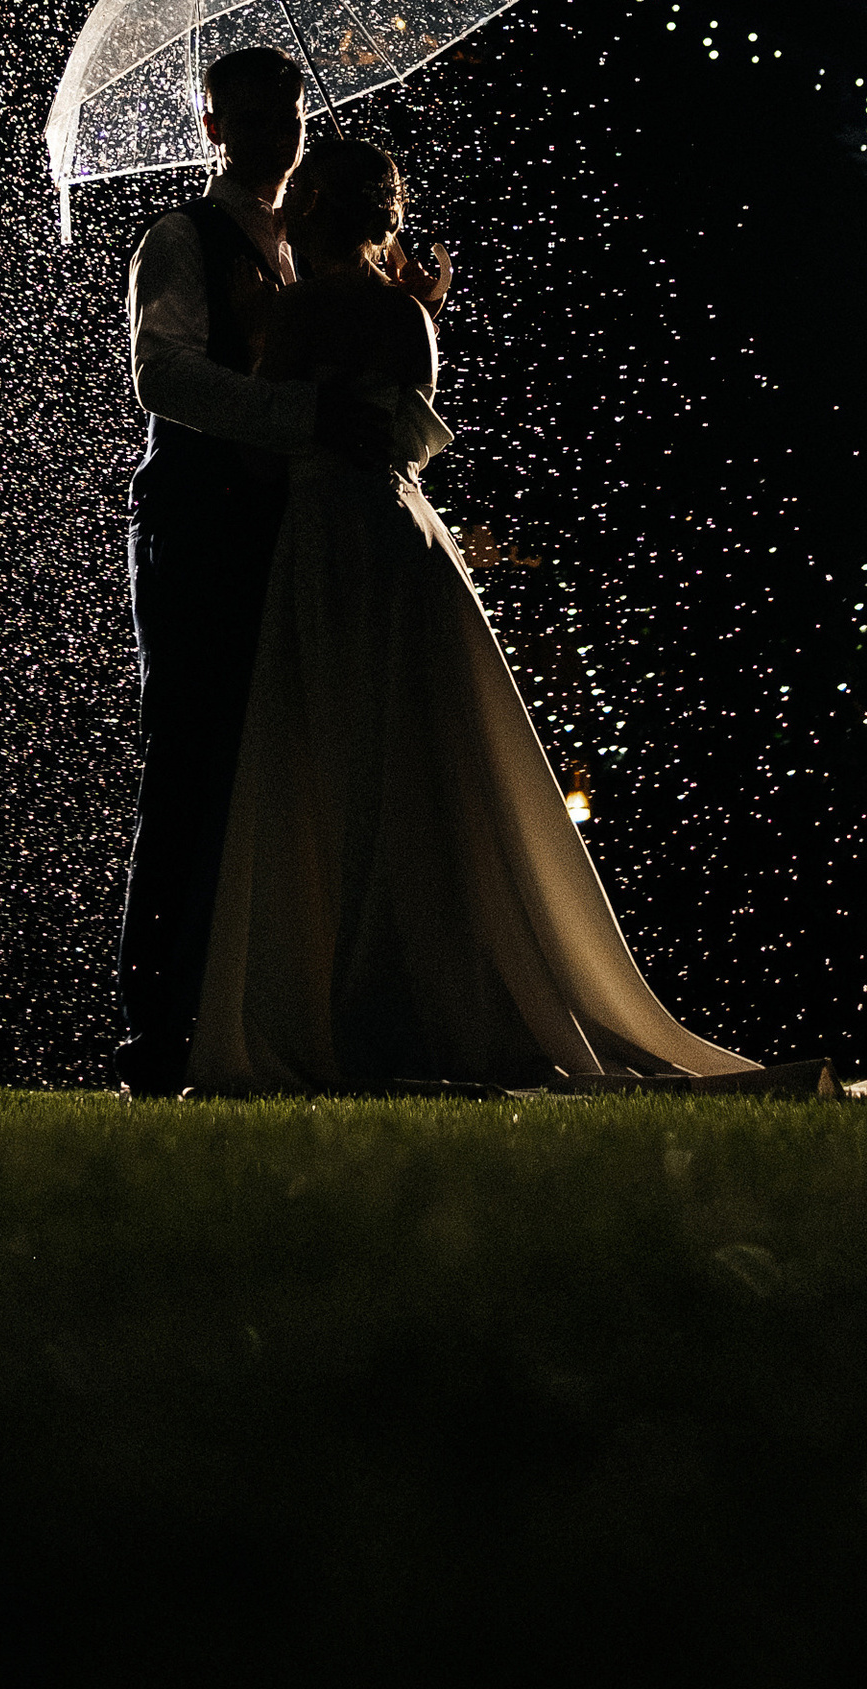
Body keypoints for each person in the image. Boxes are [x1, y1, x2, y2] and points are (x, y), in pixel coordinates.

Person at [187, 136, 759, 1093]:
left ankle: (357, 1004)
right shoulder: (410, 314)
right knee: (423, 757)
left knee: (338, 759)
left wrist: (269, 358)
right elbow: (409, 424)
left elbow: (260, 452)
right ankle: (446, 986)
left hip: (329, 541)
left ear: (316, 203)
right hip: (406, 534)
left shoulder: (302, 312)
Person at [115, 44, 390, 1095]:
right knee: (190, 771)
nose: (280, 133)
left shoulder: (306, 252)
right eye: (256, 117)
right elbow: (164, 375)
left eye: (293, 113)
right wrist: (303, 413)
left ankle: (258, 1019)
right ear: (213, 127)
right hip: (196, 526)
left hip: (289, 533)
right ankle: (157, 1035)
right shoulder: (179, 238)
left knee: (273, 776)